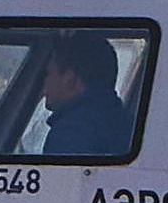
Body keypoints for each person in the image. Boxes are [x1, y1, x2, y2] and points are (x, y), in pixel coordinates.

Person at [8, 38, 140, 159]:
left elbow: (62, 183)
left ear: (69, 79)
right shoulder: (124, 121)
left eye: (48, 74)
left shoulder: (72, 132)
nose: (43, 85)